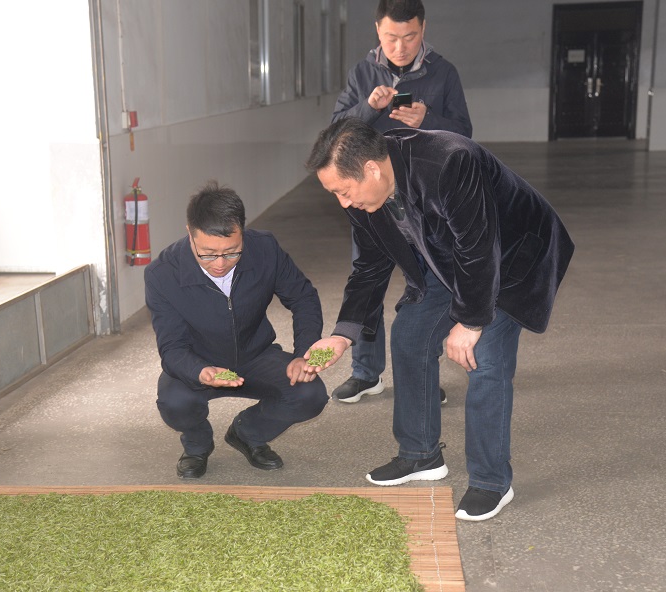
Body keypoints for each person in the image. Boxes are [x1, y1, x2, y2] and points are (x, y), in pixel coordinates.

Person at [304, 119, 574, 521]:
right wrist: (342, 335)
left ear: (372, 169)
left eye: (343, 191)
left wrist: (470, 322)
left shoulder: (449, 161)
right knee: (410, 335)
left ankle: (491, 482)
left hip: (512, 256)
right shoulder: (364, 198)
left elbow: (478, 245)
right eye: (335, 195)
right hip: (447, 256)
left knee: (484, 357)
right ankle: (420, 454)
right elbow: (369, 267)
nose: (343, 203)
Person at [330, 0, 473, 405]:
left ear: (423, 29)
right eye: (391, 37)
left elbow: (465, 135)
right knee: (368, 280)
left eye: (409, 37)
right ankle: (365, 373)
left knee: (431, 285)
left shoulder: (444, 72)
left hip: (426, 200)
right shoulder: (362, 73)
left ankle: (424, 373)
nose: (400, 46)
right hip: (372, 198)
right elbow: (335, 133)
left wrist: (428, 120)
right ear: (378, 31)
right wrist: (369, 107)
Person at [145, 181, 328, 479]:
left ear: (242, 231)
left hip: (256, 355)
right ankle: (197, 445)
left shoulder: (265, 249)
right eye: (207, 254)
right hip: (199, 360)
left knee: (310, 394)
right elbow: (172, 347)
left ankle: (248, 433)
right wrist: (200, 371)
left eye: (232, 252)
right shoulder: (162, 274)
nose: (220, 264)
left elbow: (303, 298)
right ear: (190, 232)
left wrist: (304, 353)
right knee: (175, 403)